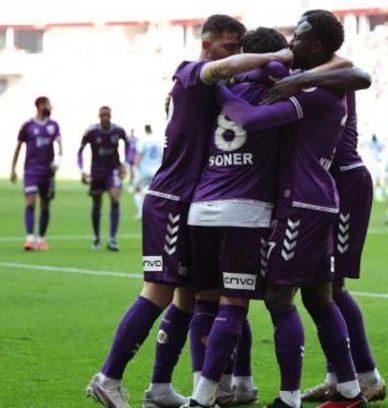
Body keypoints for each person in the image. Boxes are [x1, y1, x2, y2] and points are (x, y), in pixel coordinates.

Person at [85, 14, 293, 408]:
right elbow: (225, 69)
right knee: (158, 293)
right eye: (229, 47)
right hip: (172, 198)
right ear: (207, 43)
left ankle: (161, 387)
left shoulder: (218, 87)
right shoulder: (193, 72)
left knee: (189, 298)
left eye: (238, 48)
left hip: (192, 200)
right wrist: (277, 55)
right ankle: (107, 378)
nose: (235, 55)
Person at [210, 11, 371, 408]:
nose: (291, 42)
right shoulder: (314, 79)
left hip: (307, 200)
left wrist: (212, 84)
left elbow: (251, 117)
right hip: (317, 197)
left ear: (316, 45)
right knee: (320, 297)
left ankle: (293, 397)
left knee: (281, 297)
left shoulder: (318, 90)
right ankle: (350, 390)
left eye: (297, 37)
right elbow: (280, 71)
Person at [184, 27, 290, 408]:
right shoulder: (278, 90)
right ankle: (202, 397)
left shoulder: (216, 88)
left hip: (201, 209)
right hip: (244, 211)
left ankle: (231, 384)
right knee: (234, 304)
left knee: (205, 303)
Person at [10, 96, 62, 251]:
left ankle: (41, 239)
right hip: (31, 171)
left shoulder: (53, 126)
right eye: (48, 105)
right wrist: (13, 168)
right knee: (30, 202)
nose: (50, 108)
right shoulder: (27, 126)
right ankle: (30, 238)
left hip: (48, 173)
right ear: (40, 106)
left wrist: (57, 162)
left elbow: (60, 146)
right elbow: (18, 147)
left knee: (45, 205)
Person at [77, 106, 130, 251]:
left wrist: (125, 164)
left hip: (113, 170)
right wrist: (82, 171)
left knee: (115, 199)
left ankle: (112, 239)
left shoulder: (118, 131)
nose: (105, 117)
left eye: (107, 115)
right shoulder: (91, 132)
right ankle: (96, 238)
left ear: (111, 116)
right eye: (103, 115)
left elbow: (129, 146)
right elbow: (80, 151)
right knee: (97, 204)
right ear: (99, 116)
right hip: (97, 172)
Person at [132, 125, 162, 220]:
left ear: (145, 130)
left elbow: (139, 155)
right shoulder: (158, 141)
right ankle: (155, 212)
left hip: (145, 170)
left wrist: (135, 166)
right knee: (155, 192)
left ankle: (141, 212)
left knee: (137, 190)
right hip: (156, 169)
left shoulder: (143, 141)